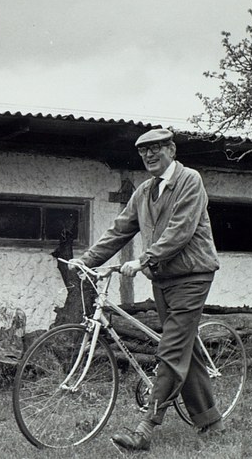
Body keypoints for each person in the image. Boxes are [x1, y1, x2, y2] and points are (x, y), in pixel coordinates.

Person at [69, 128, 225, 451]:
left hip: (193, 276)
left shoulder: (190, 181)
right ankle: (210, 420)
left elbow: (180, 231)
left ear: (171, 149)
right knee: (184, 348)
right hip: (163, 279)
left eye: (155, 149)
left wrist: (143, 260)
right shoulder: (144, 192)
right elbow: (119, 230)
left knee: (169, 350)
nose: (149, 156)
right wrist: (86, 260)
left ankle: (145, 428)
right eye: (143, 152)